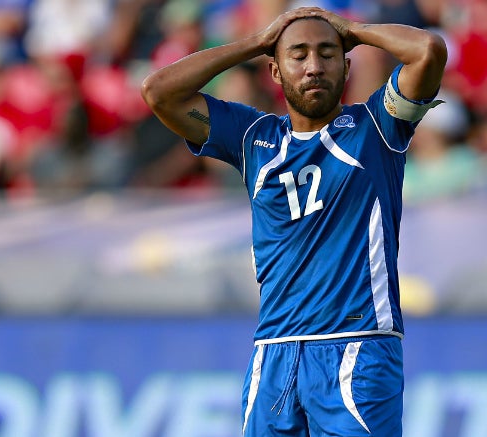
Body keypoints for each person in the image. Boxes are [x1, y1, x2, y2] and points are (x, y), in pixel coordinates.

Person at [141, 6, 446, 437]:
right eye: (297, 55)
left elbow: (428, 49)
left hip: (356, 349)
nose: (314, 67)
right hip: (273, 355)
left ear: (346, 64)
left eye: (327, 53)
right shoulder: (252, 138)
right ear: (275, 71)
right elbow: (158, 92)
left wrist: (353, 30)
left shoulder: (378, 126)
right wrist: (255, 41)